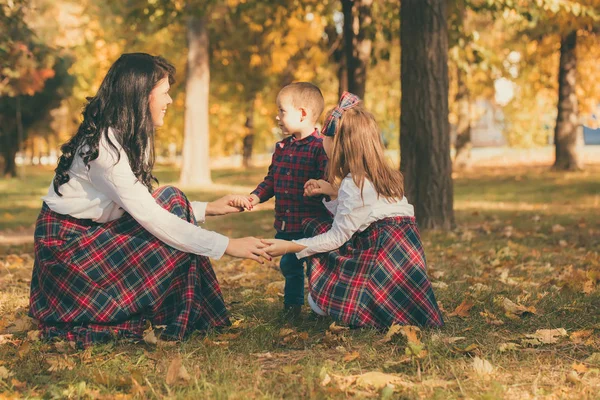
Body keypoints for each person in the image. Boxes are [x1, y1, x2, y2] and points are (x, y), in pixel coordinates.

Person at [29, 53, 270, 347]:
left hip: (89, 238)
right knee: (171, 202)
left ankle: (186, 315)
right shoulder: (104, 149)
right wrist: (228, 245)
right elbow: (151, 217)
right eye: (165, 93)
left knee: (173, 199)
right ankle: (176, 317)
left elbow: (141, 205)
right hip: (69, 255)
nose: (169, 101)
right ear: (140, 96)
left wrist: (210, 209)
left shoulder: (117, 137)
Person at [262, 92, 444, 329]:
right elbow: (362, 213)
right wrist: (332, 193)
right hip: (405, 259)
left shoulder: (353, 183)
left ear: (337, 144)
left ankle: (343, 300)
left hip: (378, 258)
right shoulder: (383, 176)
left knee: (317, 232)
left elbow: (338, 236)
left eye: (325, 137)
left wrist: (292, 246)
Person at [228, 82, 330, 318]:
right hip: (286, 223)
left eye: (282, 111)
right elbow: (271, 180)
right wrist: (255, 196)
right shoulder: (282, 147)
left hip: (311, 224)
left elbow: (328, 181)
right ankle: (292, 307)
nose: (277, 116)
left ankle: (320, 308)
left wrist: (318, 187)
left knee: (316, 267)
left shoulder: (320, 147)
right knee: (289, 266)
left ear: (302, 113)